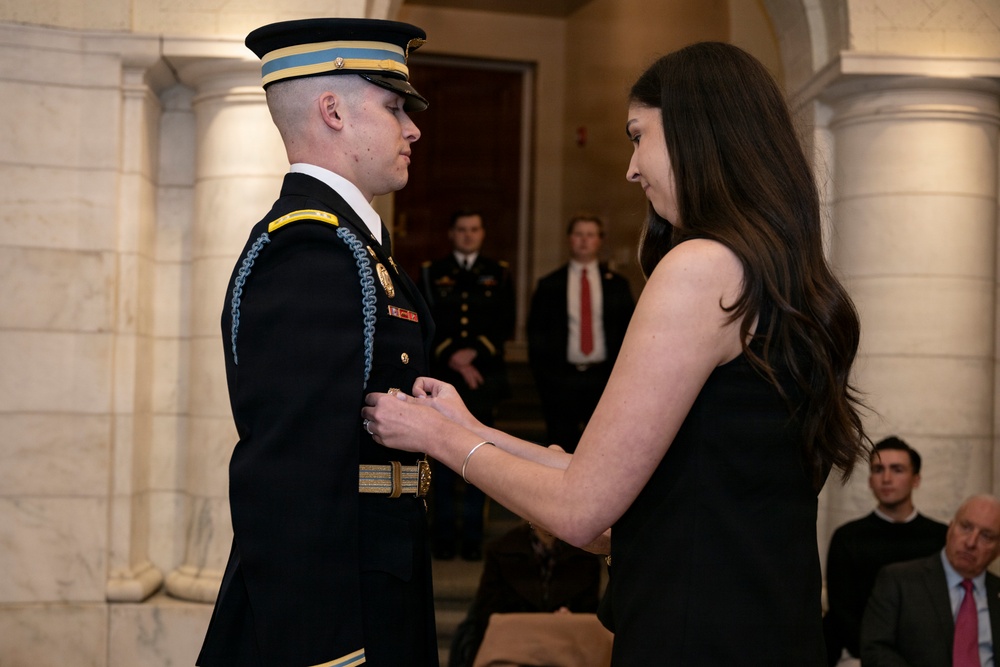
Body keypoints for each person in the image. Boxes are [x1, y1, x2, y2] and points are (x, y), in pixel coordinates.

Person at [364, 41, 868, 665]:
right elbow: (617, 473)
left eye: (638, 136)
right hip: (766, 627)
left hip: (692, 635)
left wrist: (437, 440)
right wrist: (471, 428)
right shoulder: (779, 274)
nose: (631, 168)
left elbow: (581, 511)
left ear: (694, 134)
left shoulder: (700, 267)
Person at [197, 18, 438, 667]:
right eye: (394, 108)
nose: (412, 128)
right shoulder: (310, 253)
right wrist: (328, 654)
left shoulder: (355, 250)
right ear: (332, 111)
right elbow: (287, 481)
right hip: (340, 612)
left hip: (383, 575)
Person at [420, 210, 515, 560]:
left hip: (484, 379)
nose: (468, 235)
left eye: (474, 229)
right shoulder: (433, 272)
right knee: (443, 460)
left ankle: (473, 538)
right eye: (461, 229)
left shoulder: (498, 272)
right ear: (451, 233)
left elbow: (505, 323)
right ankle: (444, 538)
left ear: (482, 233)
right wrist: (453, 356)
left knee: (482, 458)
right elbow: (425, 320)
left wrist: (474, 354)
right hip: (443, 376)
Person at [823, 436, 948, 664]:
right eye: (878, 469)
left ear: (916, 479)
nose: (887, 478)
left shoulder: (941, 537)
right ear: (870, 480)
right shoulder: (848, 538)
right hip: (862, 655)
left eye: (897, 469)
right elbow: (842, 611)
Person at [527, 214, 635, 452]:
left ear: (600, 241)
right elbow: (536, 337)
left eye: (590, 235)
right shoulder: (549, 285)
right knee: (561, 448)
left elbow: (631, 334)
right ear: (569, 239)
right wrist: (546, 380)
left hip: (605, 380)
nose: (584, 241)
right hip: (561, 380)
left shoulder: (618, 285)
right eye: (578, 234)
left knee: (604, 448)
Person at [860, 495, 1000, 667]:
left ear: (998, 550)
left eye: (986, 536)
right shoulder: (899, 580)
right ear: (950, 528)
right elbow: (875, 649)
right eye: (966, 527)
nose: (971, 542)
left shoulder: (996, 591)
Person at [448, 521, 603, 667]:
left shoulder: (585, 556)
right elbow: (487, 613)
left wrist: (569, 620)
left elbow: (591, 614)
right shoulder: (502, 550)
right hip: (514, 649)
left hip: (565, 650)